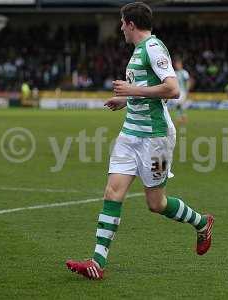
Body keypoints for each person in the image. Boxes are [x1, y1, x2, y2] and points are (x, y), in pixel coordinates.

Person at [66, 2, 214, 280]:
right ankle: (97, 262)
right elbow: (148, 91)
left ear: (131, 24)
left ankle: (202, 222)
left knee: (156, 203)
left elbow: (173, 89)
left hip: (155, 138)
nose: (120, 27)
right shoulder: (138, 51)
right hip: (130, 134)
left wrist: (131, 89)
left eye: (122, 23)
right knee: (112, 193)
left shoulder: (154, 48)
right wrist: (127, 99)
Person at [173, 56, 190, 125]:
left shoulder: (184, 72)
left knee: (179, 105)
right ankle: (182, 117)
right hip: (176, 92)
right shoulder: (174, 72)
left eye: (178, 64)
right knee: (178, 106)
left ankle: (181, 118)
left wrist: (187, 90)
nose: (177, 65)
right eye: (176, 64)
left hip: (183, 92)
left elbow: (187, 82)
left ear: (181, 64)